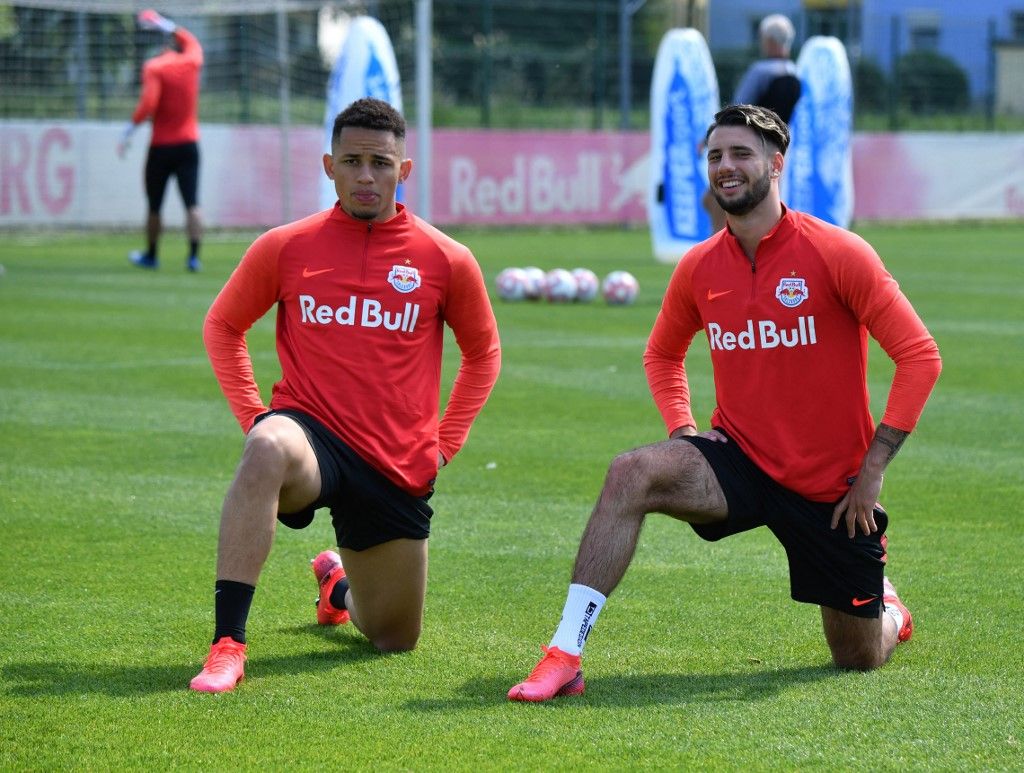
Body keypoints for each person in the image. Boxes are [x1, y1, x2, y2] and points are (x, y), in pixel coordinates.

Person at [508, 104, 941, 703]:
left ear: (775, 164)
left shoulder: (839, 253)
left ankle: (890, 608)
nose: (726, 167)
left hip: (831, 491)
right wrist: (684, 431)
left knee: (856, 658)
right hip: (738, 462)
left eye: (740, 154)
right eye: (715, 156)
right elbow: (661, 356)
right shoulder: (699, 265)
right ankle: (564, 653)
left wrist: (871, 472)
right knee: (630, 471)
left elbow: (921, 356)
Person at [189, 97, 501, 693]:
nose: (366, 176)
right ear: (328, 165)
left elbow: (484, 353)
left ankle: (337, 583)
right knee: (266, 448)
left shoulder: (447, 258)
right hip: (310, 437)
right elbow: (223, 327)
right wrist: (257, 417)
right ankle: (228, 644)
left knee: (392, 639)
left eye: (380, 163)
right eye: (352, 161)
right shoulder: (285, 246)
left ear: (403, 171)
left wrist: (444, 445)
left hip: (395, 461)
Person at [117, 9, 204, 272]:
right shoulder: (190, 62)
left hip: (162, 146)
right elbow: (193, 43)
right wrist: (168, 25)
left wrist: (129, 130)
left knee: (155, 204)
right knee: (192, 203)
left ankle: (152, 255)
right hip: (189, 144)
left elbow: (148, 104)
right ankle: (193, 257)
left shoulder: (154, 67)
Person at [704, 14, 801, 233]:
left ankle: (720, 243)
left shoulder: (760, 72)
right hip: (777, 148)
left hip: (747, 147)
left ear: (768, 41)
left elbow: (735, 109)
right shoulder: (796, 73)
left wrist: (707, 139)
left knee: (715, 197)